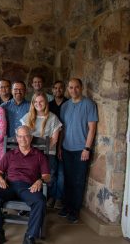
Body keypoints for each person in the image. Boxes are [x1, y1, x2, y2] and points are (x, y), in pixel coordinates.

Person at [0, 125, 50, 244]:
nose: (23, 139)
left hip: (28, 187)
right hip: (9, 186)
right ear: (16, 138)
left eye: (26, 136)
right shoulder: (10, 154)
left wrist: (40, 180)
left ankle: (30, 236)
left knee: (40, 201)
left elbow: (47, 175)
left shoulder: (39, 155)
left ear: (31, 138)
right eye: (20, 136)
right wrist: (0, 179)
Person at [59, 78, 98, 223]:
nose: (73, 90)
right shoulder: (65, 106)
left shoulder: (89, 104)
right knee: (67, 180)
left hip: (81, 150)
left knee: (78, 181)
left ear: (81, 88)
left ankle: (74, 210)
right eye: (70, 87)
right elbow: (62, 129)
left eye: (76, 87)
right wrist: (59, 147)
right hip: (67, 148)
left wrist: (87, 148)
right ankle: (67, 206)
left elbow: (92, 128)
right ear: (67, 89)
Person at [20, 92, 63, 208]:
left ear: (46, 102)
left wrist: (42, 149)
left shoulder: (53, 117)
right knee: (30, 177)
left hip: (48, 153)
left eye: (41, 101)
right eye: (36, 102)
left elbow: (54, 139)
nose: (38, 104)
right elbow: (22, 135)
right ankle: (30, 203)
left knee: (48, 177)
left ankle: (43, 201)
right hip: (31, 154)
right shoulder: (28, 117)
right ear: (33, 103)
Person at [48, 81, 68, 209]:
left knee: (61, 173)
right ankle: (51, 197)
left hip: (63, 141)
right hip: (50, 144)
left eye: (61, 88)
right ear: (52, 90)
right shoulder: (48, 105)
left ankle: (59, 198)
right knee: (51, 173)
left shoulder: (68, 104)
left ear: (64, 89)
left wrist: (60, 146)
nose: (58, 90)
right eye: (55, 88)